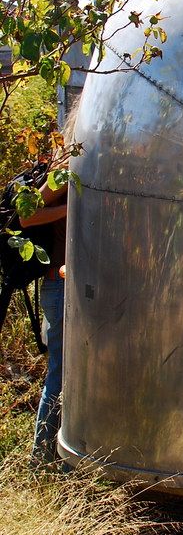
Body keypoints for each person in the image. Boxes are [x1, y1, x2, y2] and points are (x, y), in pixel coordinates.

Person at [20, 178, 68, 464]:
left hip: (74, 287)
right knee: (60, 374)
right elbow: (26, 216)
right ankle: (42, 459)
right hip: (60, 287)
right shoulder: (65, 172)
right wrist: (71, 208)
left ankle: (59, 457)